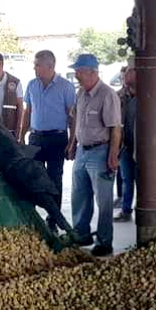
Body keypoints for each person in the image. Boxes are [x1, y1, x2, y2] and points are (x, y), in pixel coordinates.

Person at [66, 54, 122, 257]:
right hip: (82, 151)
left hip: (101, 152)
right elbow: (77, 122)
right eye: (76, 71)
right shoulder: (81, 93)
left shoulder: (107, 95)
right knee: (79, 195)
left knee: (104, 200)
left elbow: (116, 129)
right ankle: (81, 234)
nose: (77, 75)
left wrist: (113, 156)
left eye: (79, 72)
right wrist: (72, 144)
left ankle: (105, 242)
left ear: (92, 72)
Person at [20, 50, 76, 230]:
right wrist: (21, 137)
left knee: (54, 179)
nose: (34, 68)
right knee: (33, 178)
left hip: (57, 138)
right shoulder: (32, 85)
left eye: (37, 64)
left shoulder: (66, 87)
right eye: (34, 64)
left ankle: (53, 220)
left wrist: (72, 141)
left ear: (49, 66)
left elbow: (72, 117)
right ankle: (32, 219)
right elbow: (28, 112)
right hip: (35, 138)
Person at [113, 63, 137, 223]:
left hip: (142, 146)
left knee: (143, 181)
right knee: (127, 179)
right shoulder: (119, 95)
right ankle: (126, 210)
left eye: (129, 72)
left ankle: (142, 209)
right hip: (124, 145)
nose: (124, 76)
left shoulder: (148, 94)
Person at [113, 66, 128, 209]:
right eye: (122, 77)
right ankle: (120, 196)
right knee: (119, 171)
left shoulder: (137, 94)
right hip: (119, 137)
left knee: (129, 174)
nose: (124, 80)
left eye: (126, 76)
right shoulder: (117, 95)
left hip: (131, 137)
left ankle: (127, 199)